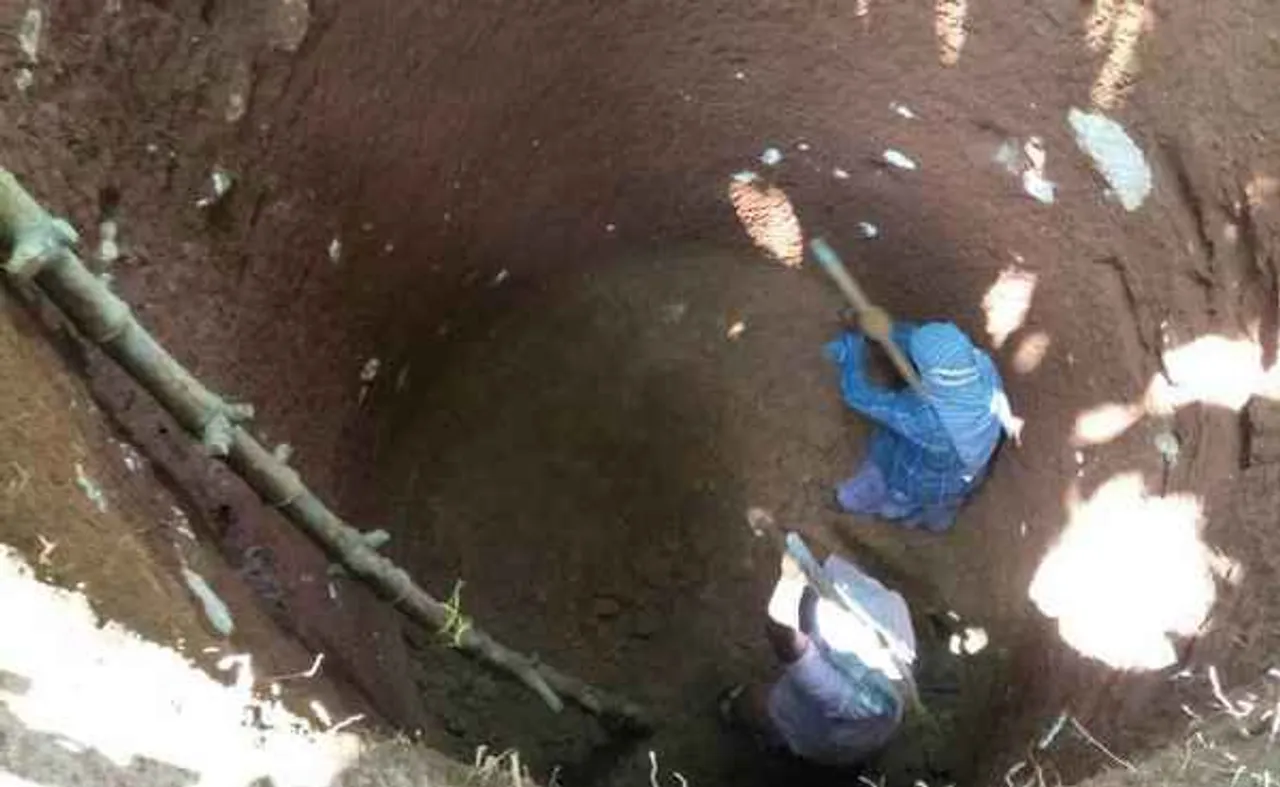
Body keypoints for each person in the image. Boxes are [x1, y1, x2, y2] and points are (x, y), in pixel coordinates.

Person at [721, 549, 917, 767]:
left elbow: (782, 635)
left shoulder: (855, 696)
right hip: (867, 729)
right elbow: (835, 567)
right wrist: (799, 551)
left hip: (824, 733)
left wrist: (789, 582)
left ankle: (739, 711)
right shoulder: (890, 615)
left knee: (766, 707)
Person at [825, 320, 1021, 532]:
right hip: (969, 472)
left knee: (889, 492)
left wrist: (852, 353)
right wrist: (882, 329)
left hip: (920, 482)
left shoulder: (927, 419)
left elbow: (860, 396)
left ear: (933, 378)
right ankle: (936, 522)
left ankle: (865, 506)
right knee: (940, 509)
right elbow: (923, 342)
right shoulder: (982, 367)